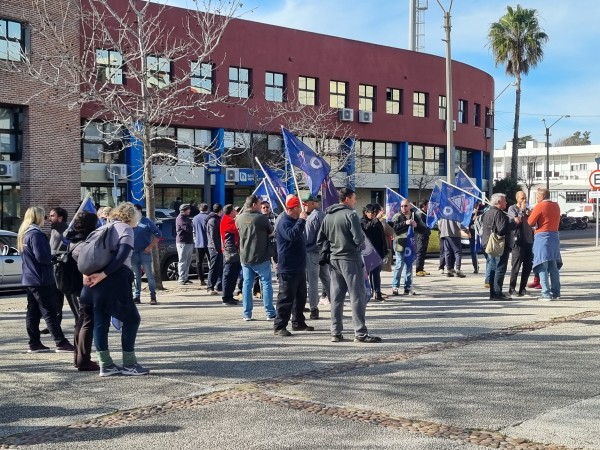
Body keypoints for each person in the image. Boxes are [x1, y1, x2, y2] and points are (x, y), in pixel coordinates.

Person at [79, 202, 148, 377]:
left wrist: (87, 273)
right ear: (131, 216)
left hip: (91, 283)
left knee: (100, 322)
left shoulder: (102, 228)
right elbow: (122, 254)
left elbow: (79, 251)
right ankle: (130, 364)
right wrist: (104, 274)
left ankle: (106, 365)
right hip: (114, 280)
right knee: (132, 319)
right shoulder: (126, 229)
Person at [317, 188, 381, 343]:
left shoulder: (328, 216)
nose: (355, 201)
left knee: (337, 297)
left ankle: (336, 332)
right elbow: (359, 239)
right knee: (357, 296)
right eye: (354, 198)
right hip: (350, 259)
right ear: (347, 199)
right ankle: (360, 333)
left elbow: (320, 239)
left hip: (334, 260)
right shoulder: (350, 215)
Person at [18, 207, 75, 353]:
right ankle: (60, 342)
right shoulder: (36, 234)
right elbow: (42, 257)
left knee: (33, 311)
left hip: (29, 278)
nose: (46, 219)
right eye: (44, 216)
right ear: (38, 217)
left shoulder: (24, 234)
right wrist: (53, 258)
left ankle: (34, 342)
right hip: (41, 279)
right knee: (50, 311)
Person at [64, 211, 100, 371]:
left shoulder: (72, 239)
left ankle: (79, 358)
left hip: (78, 285)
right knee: (87, 321)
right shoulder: (84, 242)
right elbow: (89, 265)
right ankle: (83, 360)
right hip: (86, 286)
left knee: (81, 321)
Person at [273, 196, 313, 336]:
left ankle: (298, 322)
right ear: (295, 208)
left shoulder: (295, 221)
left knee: (300, 297)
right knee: (286, 297)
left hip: (298, 266)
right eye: (301, 207)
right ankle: (279, 326)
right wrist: (302, 221)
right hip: (288, 267)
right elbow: (292, 235)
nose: (303, 210)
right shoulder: (284, 222)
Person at [236, 195, 276, 321]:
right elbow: (271, 232)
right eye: (259, 204)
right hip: (261, 255)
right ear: (254, 205)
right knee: (266, 284)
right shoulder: (261, 218)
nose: (260, 206)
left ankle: (247, 314)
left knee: (247, 285)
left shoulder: (239, 218)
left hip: (245, 256)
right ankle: (269, 312)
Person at [481, 193, 519, 300]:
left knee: (493, 268)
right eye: (504, 200)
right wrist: (514, 223)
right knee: (500, 268)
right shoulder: (499, 213)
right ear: (498, 202)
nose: (506, 202)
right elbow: (501, 229)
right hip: (498, 245)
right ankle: (497, 292)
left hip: (488, 243)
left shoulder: (488, 212)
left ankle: (493, 293)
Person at [528, 188, 562, 301]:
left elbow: (530, 222)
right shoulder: (556, 205)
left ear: (542, 196)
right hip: (554, 236)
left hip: (542, 237)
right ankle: (556, 292)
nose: (537, 199)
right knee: (553, 266)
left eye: (537, 197)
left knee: (542, 264)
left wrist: (530, 213)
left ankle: (546, 293)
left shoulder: (540, 206)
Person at [48, 206, 79, 327]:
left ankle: (78, 319)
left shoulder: (64, 230)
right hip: (55, 267)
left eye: (52, 216)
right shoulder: (55, 229)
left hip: (64, 268)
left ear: (60, 218)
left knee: (70, 295)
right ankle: (56, 322)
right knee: (56, 297)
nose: (49, 218)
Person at [390, 199, 426, 295]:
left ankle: (408, 286)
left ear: (410, 206)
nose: (403, 208)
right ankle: (395, 286)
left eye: (406, 206)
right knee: (399, 265)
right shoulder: (397, 216)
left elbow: (424, 229)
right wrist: (405, 223)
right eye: (402, 206)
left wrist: (416, 225)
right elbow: (394, 229)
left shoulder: (415, 216)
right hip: (400, 245)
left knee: (409, 266)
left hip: (410, 245)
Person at [303, 193, 329, 319]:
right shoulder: (323, 215)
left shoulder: (312, 217)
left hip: (312, 252)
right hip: (322, 251)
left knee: (312, 283)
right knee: (326, 279)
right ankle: (336, 304)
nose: (304, 206)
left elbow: (307, 238)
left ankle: (314, 309)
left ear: (313, 203)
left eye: (306, 203)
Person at [131, 204, 161, 305]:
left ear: (139, 211)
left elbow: (158, 235)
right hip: (133, 253)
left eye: (135, 211)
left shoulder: (147, 222)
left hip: (144, 253)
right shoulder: (130, 222)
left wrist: (150, 247)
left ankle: (153, 296)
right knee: (136, 276)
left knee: (149, 275)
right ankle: (137, 296)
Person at [507, 191, 534, 297]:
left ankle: (522, 288)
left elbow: (533, 223)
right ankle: (511, 288)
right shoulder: (512, 209)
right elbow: (517, 221)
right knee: (516, 266)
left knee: (527, 266)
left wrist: (530, 214)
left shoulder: (527, 210)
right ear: (517, 198)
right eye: (522, 198)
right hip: (518, 241)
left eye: (525, 198)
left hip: (528, 240)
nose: (524, 200)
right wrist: (522, 210)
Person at [360, 204, 387, 301]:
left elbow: (382, 236)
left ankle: (377, 292)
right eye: (371, 213)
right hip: (367, 252)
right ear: (366, 212)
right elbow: (366, 228)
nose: (373, 214)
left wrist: (384, 250)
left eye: (375, 213)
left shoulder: (377, 221)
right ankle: (366, 292)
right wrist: (376, 219)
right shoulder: (362, 221)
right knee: (365, 273)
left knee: (376, 273)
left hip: (378, 250)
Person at [220, 204, 241, 305]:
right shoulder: (227, 221)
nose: (236, 212)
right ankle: (226, 297)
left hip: (234, 251)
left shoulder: (229, 220)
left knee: (233, 275)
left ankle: (230, 295)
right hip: (230, 252)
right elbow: (236, 229)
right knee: (229, 274)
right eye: (234, 211)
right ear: (231, 212)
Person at [206, 203, 224, 294]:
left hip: (217, 246)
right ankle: (210, 287)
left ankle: (219, 285)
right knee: (214, 267)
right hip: (214, 247)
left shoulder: (217, 219)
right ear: (220, 210)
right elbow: (213, 236)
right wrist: (217, 248)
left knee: (220, 267)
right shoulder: (213, 220)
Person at [176, 203, 194, 285]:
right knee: (183, 261)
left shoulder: (187, 218)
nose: (190, 210)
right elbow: (187, 228)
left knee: (188, 261)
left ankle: (185, 277)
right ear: (184, 210)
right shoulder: (180, 218)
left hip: (189, 242)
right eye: (188, 209)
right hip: (183, 242)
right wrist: (191, 225)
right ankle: (181, 278)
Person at [192, 203, 210, 286]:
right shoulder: (209, 217)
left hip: (199, 243)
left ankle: (201, 279)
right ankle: (211, 279)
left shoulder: (195, 218)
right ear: (207, 209)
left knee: (199, 262)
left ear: (199, 209)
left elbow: (194, 231)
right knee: (211, 262)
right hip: (209, 243)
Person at [415, 200, 431, 277]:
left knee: (423, 253)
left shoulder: (425, 214)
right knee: (420, 252)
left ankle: (421, 268)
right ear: (424, 206)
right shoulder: (420, 214)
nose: (429, 206)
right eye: (428, 205)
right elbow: (422, 225)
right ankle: (418, 270)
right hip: (421, 236)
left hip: (425, 235)